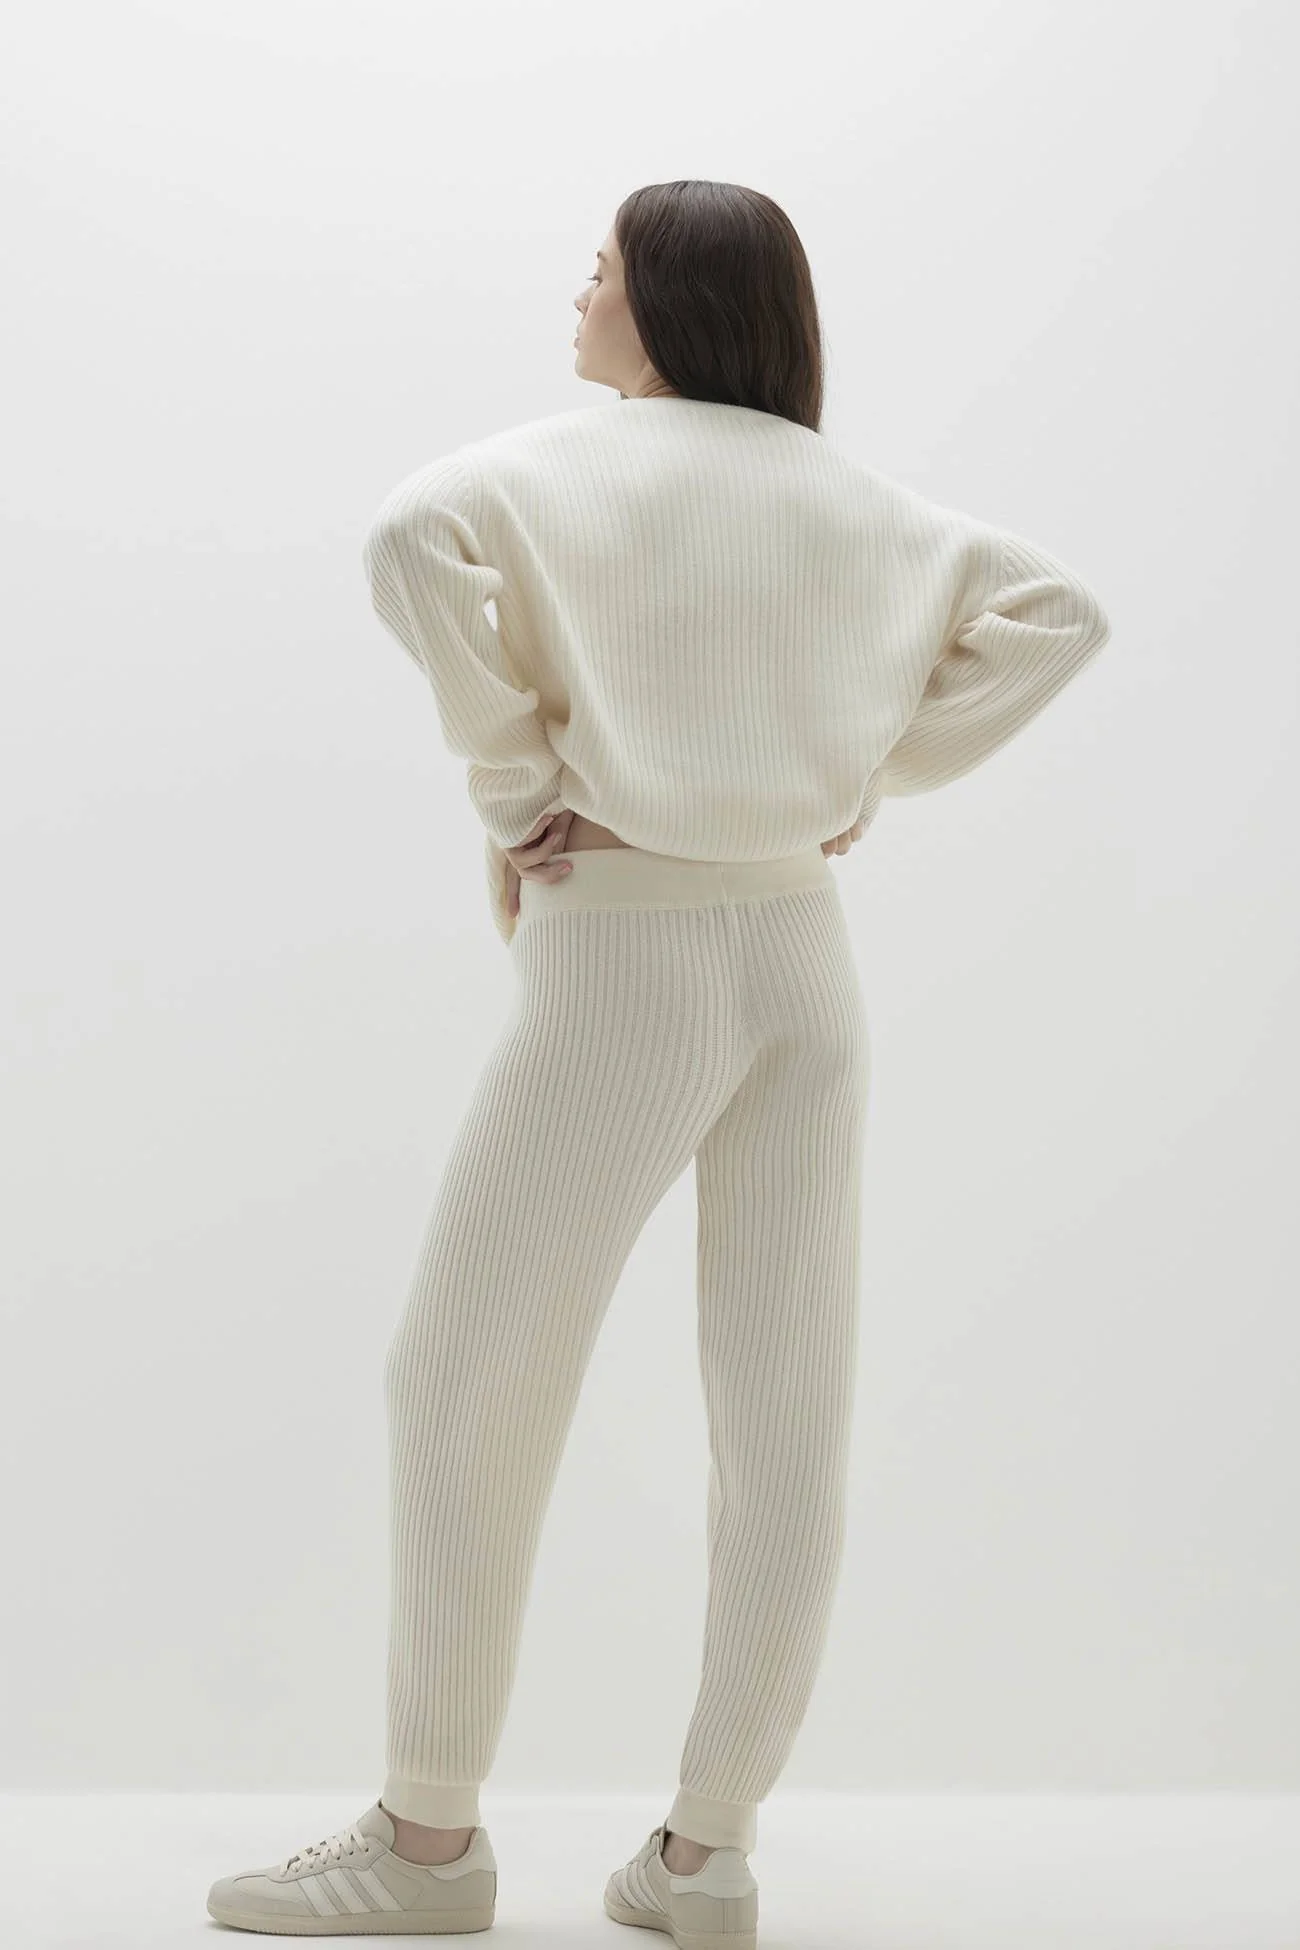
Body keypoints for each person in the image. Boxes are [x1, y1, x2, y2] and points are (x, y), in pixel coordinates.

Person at [207, 178, 1110, 1943]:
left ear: (669, 304)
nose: (579, 295)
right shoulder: (856, 500)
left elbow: (405, 540)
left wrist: (513, 783)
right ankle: (709, 1855)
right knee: (783, 1414)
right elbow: (1059, 612)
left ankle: (428, 1844)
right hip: (803, 968)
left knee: (460, 1378)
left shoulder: (551, 470)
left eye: (603, 269)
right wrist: (863, 771)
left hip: (625, 961)